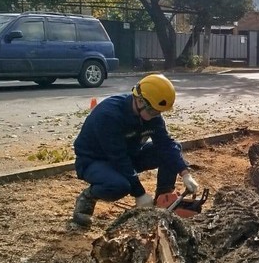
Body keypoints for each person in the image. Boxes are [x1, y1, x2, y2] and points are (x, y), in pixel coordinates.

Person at [71, 73, 199, 227]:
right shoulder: (109, 116)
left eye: (159, 113)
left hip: (129, 154)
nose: (155, 116)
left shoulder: (151, 113)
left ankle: (162, 201)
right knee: (120, 186)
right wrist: (140, 193)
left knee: (171, 150)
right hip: (95, 161)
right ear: (139, 101)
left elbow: (166, 144)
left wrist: (185, 173)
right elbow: (118, 158)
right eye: (153, 112)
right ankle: (88, 197)